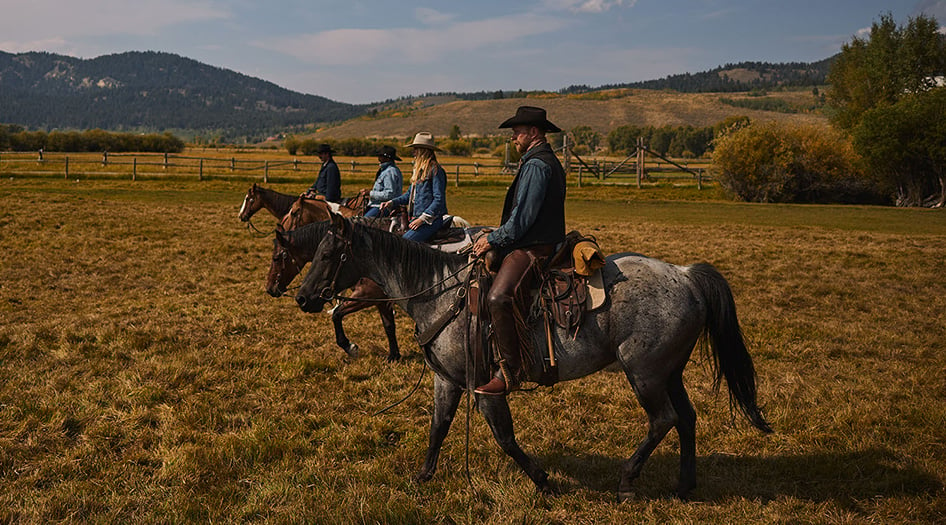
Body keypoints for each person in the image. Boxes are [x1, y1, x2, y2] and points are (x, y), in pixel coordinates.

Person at [472, 106, 567, 396]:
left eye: (517, 132)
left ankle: (510, 371)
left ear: (533, 133)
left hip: (534, 247)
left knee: (499, 297)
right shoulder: (536, 161)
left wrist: (494, 239)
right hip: (530, 240)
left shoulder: (538, 165)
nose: (513, 138)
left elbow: (522, 220)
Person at [380, 132, 447, 243]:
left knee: (405, 243)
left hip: (431, 220)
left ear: (423, 150)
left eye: (415, 149)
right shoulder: (420, 172)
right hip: (417, 218)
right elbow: (408, 196)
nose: (413, 152)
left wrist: (422, 218)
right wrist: (391, 202)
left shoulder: (435, 170)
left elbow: (439, 199)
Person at [364, 145, 403, 218]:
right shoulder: (386, 170)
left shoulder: (390, 172)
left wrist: (370, 193)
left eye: (381, 156)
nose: (378, 158)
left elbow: (389, 194)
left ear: (387, 158)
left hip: (384, 206)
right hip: (378, 205)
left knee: (364, 222)